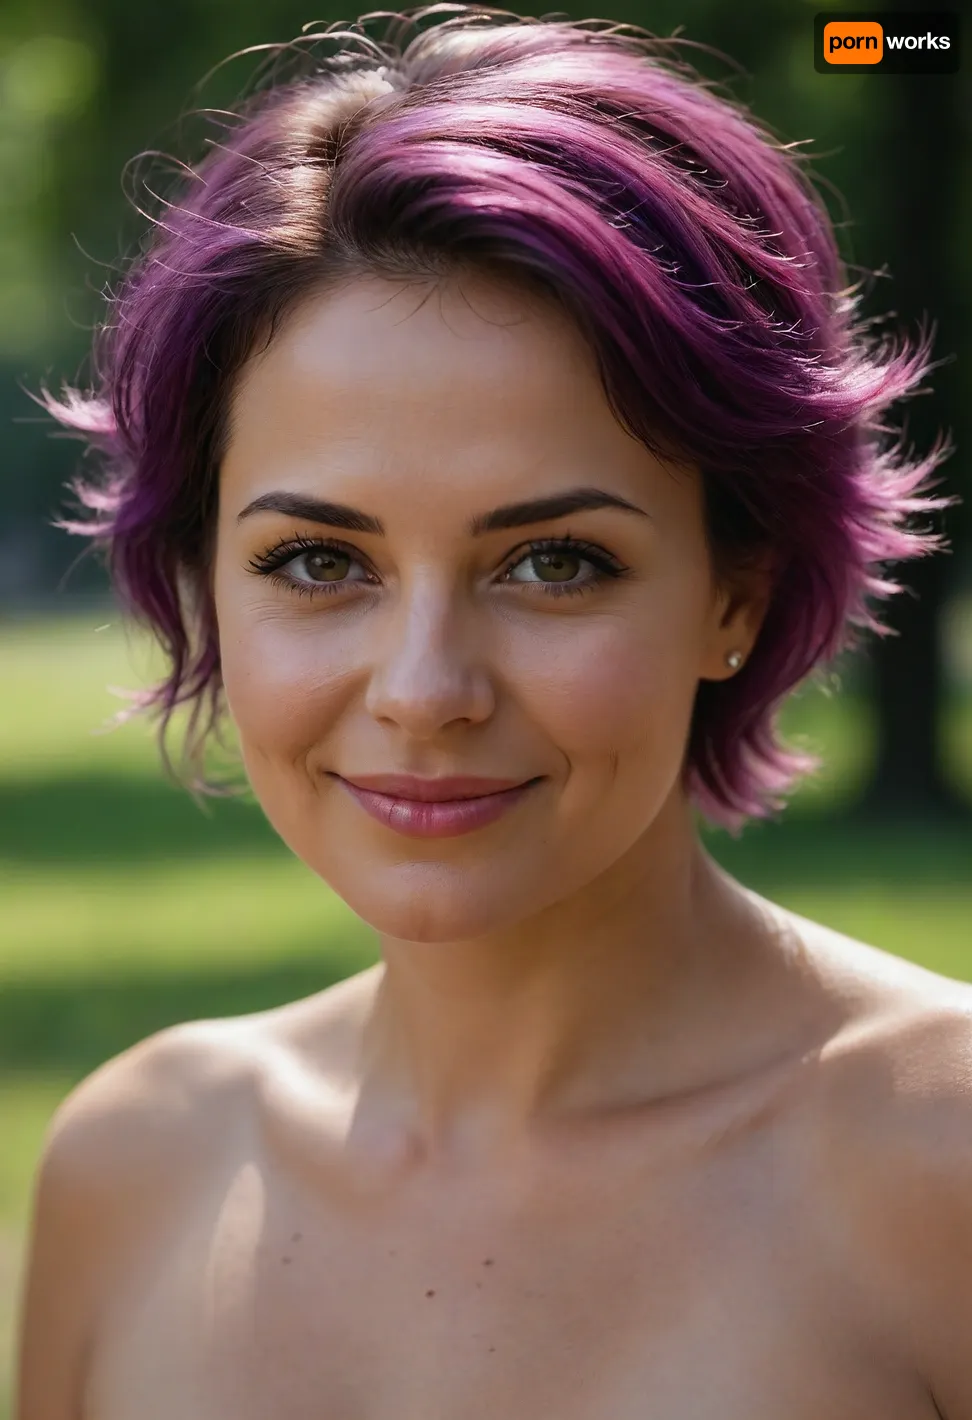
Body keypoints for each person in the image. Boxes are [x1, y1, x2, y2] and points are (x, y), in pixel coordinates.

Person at [16, 6, 971, 1418]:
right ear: (203, 581)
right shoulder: (135, 1169)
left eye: (553, 562)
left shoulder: (939, 1175)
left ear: (735, 594)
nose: (423, 690)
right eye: (319, 562)